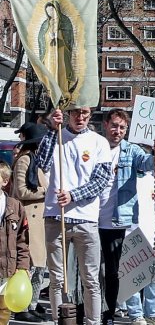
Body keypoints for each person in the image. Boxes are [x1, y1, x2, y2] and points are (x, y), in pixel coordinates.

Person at [37, 107, 112, 324]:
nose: (80, 117)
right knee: (57, 279)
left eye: (85, 113)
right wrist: (52, 128)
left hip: (86, 219)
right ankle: (59, 320)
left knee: (91, 279)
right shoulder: (56, 135)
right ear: (69, 113)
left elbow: (100, 180)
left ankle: (92, 321)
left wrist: (73, 195)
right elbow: (42, 162)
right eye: (76, 112)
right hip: (55, 217)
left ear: (90, 115)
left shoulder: (99, 142)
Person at [98, 109, 155, 324]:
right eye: (114, 125)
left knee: (121, 271)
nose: (118, 131)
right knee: (96, 272)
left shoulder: (131, 151)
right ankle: (98, 312)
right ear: (106, 125)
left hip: (122, 221)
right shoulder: (95, 147)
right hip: (92, 219)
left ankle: (125, 315)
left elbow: (147, 164)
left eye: (122, 128)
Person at [125, 162, 155, 325]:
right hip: (131, 232)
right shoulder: (126, 178)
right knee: (134, 276)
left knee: (154, 277)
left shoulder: (151, 179)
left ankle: (152, 312)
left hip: (152, 233)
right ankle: (135, 314)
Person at [11, 123, 49, 322]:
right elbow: (21, 191)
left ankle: (32, 303)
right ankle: (22, 304)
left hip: (39, 220)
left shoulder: (36, 160)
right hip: (28, 218)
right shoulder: (24, 160)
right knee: (30, 265)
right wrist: (46, 192)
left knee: (40, 266)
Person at [0, 161, 31, 324]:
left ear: (5, 181)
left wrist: (23, 266)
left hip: (8, 267)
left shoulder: (15, 206)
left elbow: (22, 240)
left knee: (4, 308)